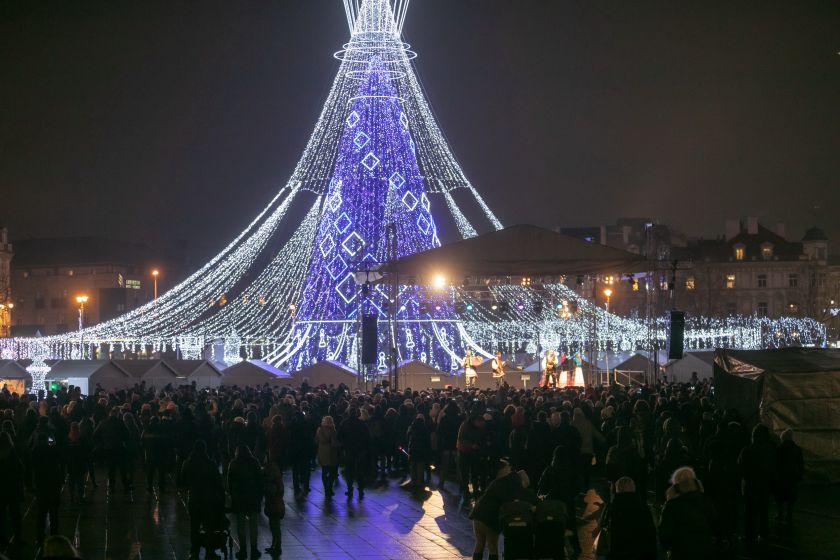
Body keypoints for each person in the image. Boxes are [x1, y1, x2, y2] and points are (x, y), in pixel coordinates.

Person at [469, 458, 536, 560]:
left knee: (479, 545)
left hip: (478, 513)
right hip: (490, 518)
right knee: (493, 548)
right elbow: (525, 495)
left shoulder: (497, 481)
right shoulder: (513, 482)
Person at [180, 440, 225, 560]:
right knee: (208, 526)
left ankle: (194, 552)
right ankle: (210, 552)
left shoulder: (188, 463)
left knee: (194, 526)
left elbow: (182, 481)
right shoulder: (210, 463)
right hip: (209, 499)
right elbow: (218, 482)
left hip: (194, 498)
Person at [658, 467, 716, 560]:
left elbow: (665, 537)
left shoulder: (671, 505)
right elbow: (715, 526)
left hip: (680, 553)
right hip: (704, 552)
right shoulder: (705, 500)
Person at [537, 444, 581, 554]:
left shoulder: (549, 470)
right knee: (572, 525)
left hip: (552, 503)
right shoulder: (572, 470)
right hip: (567, 502)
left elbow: (541, 487)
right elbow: (578, 487)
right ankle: (575, 547)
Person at [738, 423, 776, 545]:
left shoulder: (747, 451)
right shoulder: (770, 451)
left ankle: (750, 536)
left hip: (751, 485)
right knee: (764, 511)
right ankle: (764, 534)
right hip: (764, 485)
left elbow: (740, 468)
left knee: (750, 512)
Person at [604, 477, 657, 560]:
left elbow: (604, 526)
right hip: (640, 553)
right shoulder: (642, 507)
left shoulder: (613, 507)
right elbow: (651, 532)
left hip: (618, 552)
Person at [31, 432, 63, 545]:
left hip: (41, 484)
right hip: (53, 483)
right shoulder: (52, 450)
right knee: (54, 513)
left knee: (41, 513)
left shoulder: (36, 450)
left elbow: (32, 465)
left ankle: (40, 537)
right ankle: (54, 536)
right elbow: (59, 457)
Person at [338, 407, 371, 500]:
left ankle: (350, 489)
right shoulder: (362, 424)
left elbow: (339, 436)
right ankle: (361, 490)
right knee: (360, 471)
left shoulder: (344, 423)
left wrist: (343, 446)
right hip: (360, 450)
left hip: (348, 450)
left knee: (349, 471)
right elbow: (367, 437)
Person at [0, 432, 24, 547]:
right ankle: (18, 538)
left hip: (1, 488)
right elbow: (20, 469)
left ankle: (2, 538)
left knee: (1, 515)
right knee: (15, 515)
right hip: (12, 488)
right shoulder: (12, 453)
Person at [775, 428, 803, 523]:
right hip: (792, 477)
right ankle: (789, 515)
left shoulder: (779, 449)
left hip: (781, 477)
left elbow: (776, 463)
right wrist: (799, 476)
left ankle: (780, 514)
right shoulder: (797, 449)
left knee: (780, 498)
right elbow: (800, 464)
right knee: (791, 499)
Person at [263, 461, 285, 557]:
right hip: (276, 506)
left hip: (274, 506)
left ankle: (277, 546)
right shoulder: (278, 479)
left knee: (275, 527)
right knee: (274, 527)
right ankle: (274, 545)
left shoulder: (273, 481)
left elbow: (271, 491)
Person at [315, 415, 340, 497]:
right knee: (332, 473)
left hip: (322, 452)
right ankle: (329, 487)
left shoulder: (320, 430)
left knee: (324, 472)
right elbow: (334, 443)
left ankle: (326, 488)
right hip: (332, 453)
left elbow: (317, 440)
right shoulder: (333, 430)